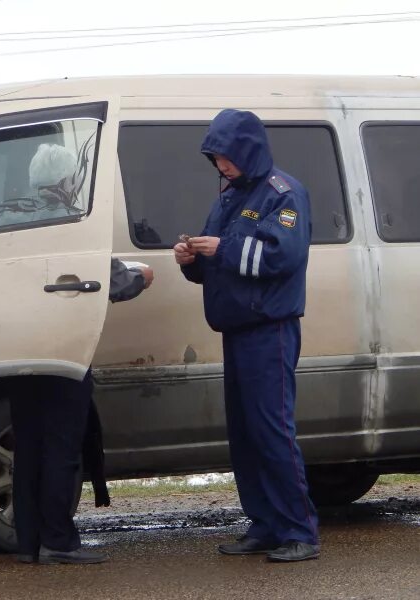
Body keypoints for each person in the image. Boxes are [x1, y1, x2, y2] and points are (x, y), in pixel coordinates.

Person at [174, 109, 320, 562]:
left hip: (269, 332)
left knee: (272, 431)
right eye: (215, 159)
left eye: (226, 158)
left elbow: (281, 257)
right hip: (237, 330)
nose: (221, 166)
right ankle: (264, 524)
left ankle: (300, 531)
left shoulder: (285, 193)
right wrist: (192, 259)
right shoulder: (229, 196)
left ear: (247, 151)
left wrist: (223, 249)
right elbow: (217, 260)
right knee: (245, 434)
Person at [10, 144, 154, 565]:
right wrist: (142, 277)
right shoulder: (69, 221)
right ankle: (58, 540)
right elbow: (107, 280)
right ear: (66, 181)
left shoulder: (8, 219)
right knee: (62, 445)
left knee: (29, 446)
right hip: (63, 351)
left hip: (16, 352)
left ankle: (28, 542)